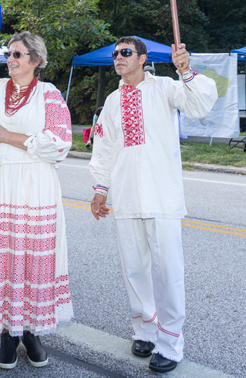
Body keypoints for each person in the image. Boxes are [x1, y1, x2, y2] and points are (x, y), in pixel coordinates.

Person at [90, 37, 218, 374]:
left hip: (162, 196)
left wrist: (186, 71)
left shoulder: (165, 87)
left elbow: (201, 104)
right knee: (134, 270)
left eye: (125, 53)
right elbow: (104, 148)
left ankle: (170, 343)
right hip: (127, 196)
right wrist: (101, 189)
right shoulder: (113, 101)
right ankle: (145, 331)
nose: (118, 57)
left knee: (167, 273)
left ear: (142, 59)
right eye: (115, 54)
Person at [0, 31, 73, 370]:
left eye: (18, 55)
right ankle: (8, 334)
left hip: (32, 184)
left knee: (29, 257)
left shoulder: (48, 93)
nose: (10, 60)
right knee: (0, 254)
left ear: (35, 61)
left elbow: (60, 142)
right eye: (9, 54)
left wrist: (11, 137)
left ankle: (31, 332)